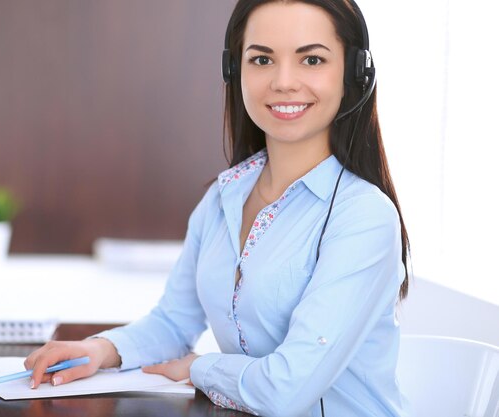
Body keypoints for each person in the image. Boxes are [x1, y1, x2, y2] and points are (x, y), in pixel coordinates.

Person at [24, 0, 411, 416]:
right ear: (234, 71)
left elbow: (286, 390)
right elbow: (174, 321)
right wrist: (99, 350)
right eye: (261, 59)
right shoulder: (224, 196)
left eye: (311, 59)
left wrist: (200, 369)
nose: (283, 81)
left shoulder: (363, 217)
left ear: (354, 74)